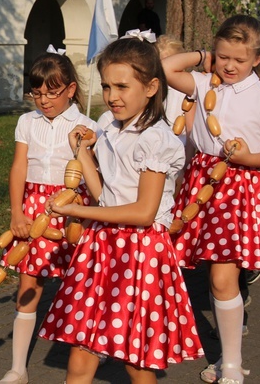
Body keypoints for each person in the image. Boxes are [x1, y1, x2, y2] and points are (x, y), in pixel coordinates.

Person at [39, 33, 204, 383]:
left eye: (121, 86)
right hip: (103, 246)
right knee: (81, 351)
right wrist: (82, 153)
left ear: (151, 87)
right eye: (106, 86)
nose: (112, 97)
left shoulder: (155, 139)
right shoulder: (108, 128)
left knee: (136, 360)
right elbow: (105, 197)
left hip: (140, 252)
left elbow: (143, 212)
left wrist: (76, 212)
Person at [164, 15, 260, 384]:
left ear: (259, 59)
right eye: (223, 57)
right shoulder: (204, 84)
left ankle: (231, 362)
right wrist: (202, 56)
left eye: (239, 59)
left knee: (222, 277)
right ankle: (225, 351)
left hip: (241, 188)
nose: (230, 66)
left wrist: (248, 158)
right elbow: (163, 66)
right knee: (213, 275)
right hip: (203, 183)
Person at [0, 46, 97, 384]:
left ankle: (78, 363)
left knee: (79, 285)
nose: (43, 100)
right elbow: (18, 167)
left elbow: (94, 173)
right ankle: (18, 368)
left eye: (52, 93)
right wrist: (17, 213)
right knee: (29, 283)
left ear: (70, 90)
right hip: (35, 209)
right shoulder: (27, 122)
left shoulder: (87, 125)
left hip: (74, 209)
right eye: (37, 93)